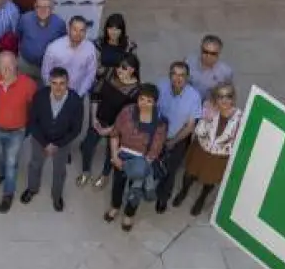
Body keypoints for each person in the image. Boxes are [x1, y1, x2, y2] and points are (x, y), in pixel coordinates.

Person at [103, 85, 167, 232]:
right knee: (118, 184)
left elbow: (155, 149)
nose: (144, 103)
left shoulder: (159, 122)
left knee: (135, 189)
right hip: (122, 154)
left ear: (155, 103)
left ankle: (129, 214)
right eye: (141, 99)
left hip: (141, 161)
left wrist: (140, 167)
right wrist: (114, 156)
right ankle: (115, 206)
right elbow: (114, 134)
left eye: (149, 101)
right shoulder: (127, 112)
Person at [174, 82, 242, 216]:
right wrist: (207, 119)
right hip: (201, 150)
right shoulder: (209, 109)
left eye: (228, 96)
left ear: (233, 98)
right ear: (215, 98)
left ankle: (202, 198)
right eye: (220, 96)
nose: (224, 100)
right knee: (189, 174)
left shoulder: (240, 117)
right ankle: (183, 191)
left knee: (210, 180)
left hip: (219, 156)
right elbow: (199, 132)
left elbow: (239, 140)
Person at [20, 67, 84, 212]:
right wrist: (45, 143)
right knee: (35, 164)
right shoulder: (40, 96)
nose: (58, 87)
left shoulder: (75, 101)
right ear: (49, 82)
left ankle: (57, 196)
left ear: (68, 83)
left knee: (59, 170)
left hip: (62, 142)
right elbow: (33, 122)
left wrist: (57, 144)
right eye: (54, 83)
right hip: (40, 138)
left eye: (62, 83)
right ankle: (32, 189)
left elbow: (76, 129)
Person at [77, 53, 141, 190]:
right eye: (118, 66)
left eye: (124, 67)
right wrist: (94, 118)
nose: (119, 69)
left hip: (117, 127)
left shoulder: (135, 91)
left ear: (132, 69)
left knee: (111, 152)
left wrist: (111, 129)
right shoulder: (109, 74)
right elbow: (96, 95)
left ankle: (105, 175)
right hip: (99, 119)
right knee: (87, 146)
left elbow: (129, 117)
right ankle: (86, 171)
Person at [0, 51, 38, 213]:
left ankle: (8, 193)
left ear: (16, 65)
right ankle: (0, 175)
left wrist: (28, 127)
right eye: (2, 64)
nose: (6, 68)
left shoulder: (28, 84)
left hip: (17, 131)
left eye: (10, 64)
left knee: (11, 162)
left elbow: (35, 107)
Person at [154, 61, 203, 213]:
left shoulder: (194, 96)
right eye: (174, 74)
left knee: (170, 170)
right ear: (169, 75)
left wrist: (173, 141)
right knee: (152, 162)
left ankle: (163, 197)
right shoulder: (161, 86)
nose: (178, 78)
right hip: (156, 134)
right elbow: (152, 109)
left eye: (182, 75)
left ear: (187, 77)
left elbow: (190, 125)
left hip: (178, 138)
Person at [40, 16, 98, 98]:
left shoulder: (90, 48)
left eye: (82, 30)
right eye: (75, 29)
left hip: (79, 93)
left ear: (85, 32)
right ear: (68, 29)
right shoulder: (53, 48)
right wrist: (55, 92)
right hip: (56, 93)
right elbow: (46, 73)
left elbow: (90, 74)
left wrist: (79, 94)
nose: (78, 33)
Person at [15, 0, 67, 82]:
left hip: (47, 67)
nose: (43, 10)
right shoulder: (25, 19)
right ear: (35, 7)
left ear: (52, 8)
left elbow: (62, 43)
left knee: (44, 89)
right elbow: (18, 35)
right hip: (25, 64)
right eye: (39, 7)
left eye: (46, 7)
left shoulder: (59, 24)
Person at [94, 13, 137, 89]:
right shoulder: (99, 44)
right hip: (101, 84)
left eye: (117, 29)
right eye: (110, 28)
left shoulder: (128, 46)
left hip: (121, 85)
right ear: (106, 29)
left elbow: (131, 68)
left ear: (122, 30)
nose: (113, 32)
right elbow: (95, 67)